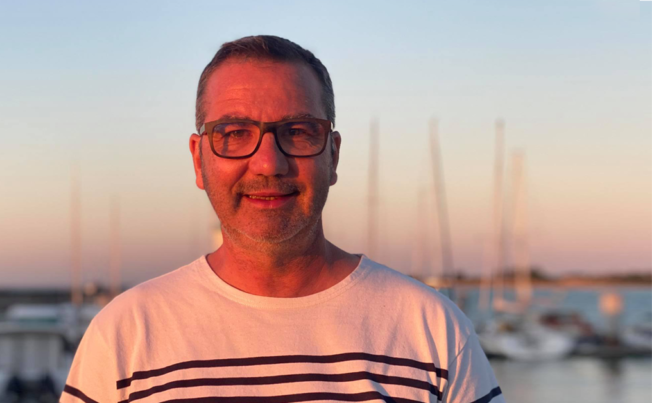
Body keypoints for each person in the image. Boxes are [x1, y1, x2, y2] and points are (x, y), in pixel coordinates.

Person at [60, 35, 504, 403]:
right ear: (198, 159)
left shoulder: (432, 330)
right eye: (235, 134)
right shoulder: (125, 337)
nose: (268, 163)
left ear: (333, 155)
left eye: (297, 132)